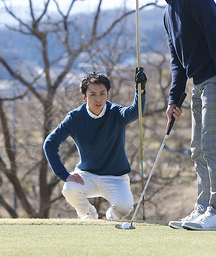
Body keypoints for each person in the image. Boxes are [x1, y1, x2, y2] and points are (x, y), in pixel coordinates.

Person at [129, 0, 216, 231]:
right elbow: (177, 62)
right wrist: (174, 99)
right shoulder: (168, 14)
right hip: (200, 83)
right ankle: (203, 209)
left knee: (212, 145)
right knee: (197, 149)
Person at [43, 69, 147, 220]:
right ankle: (88, 214)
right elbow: (50, 143)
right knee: (69, 189)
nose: (98, 99)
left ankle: (111, 217)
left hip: (116, 177)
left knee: (125, 207)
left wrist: (140, 90)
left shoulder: (116, 112)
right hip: (87, 175)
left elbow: (135, 112)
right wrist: (64, 175)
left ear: (107, 95)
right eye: (92, 94)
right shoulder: (74, 117)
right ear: (85, 97)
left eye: (102, 93)